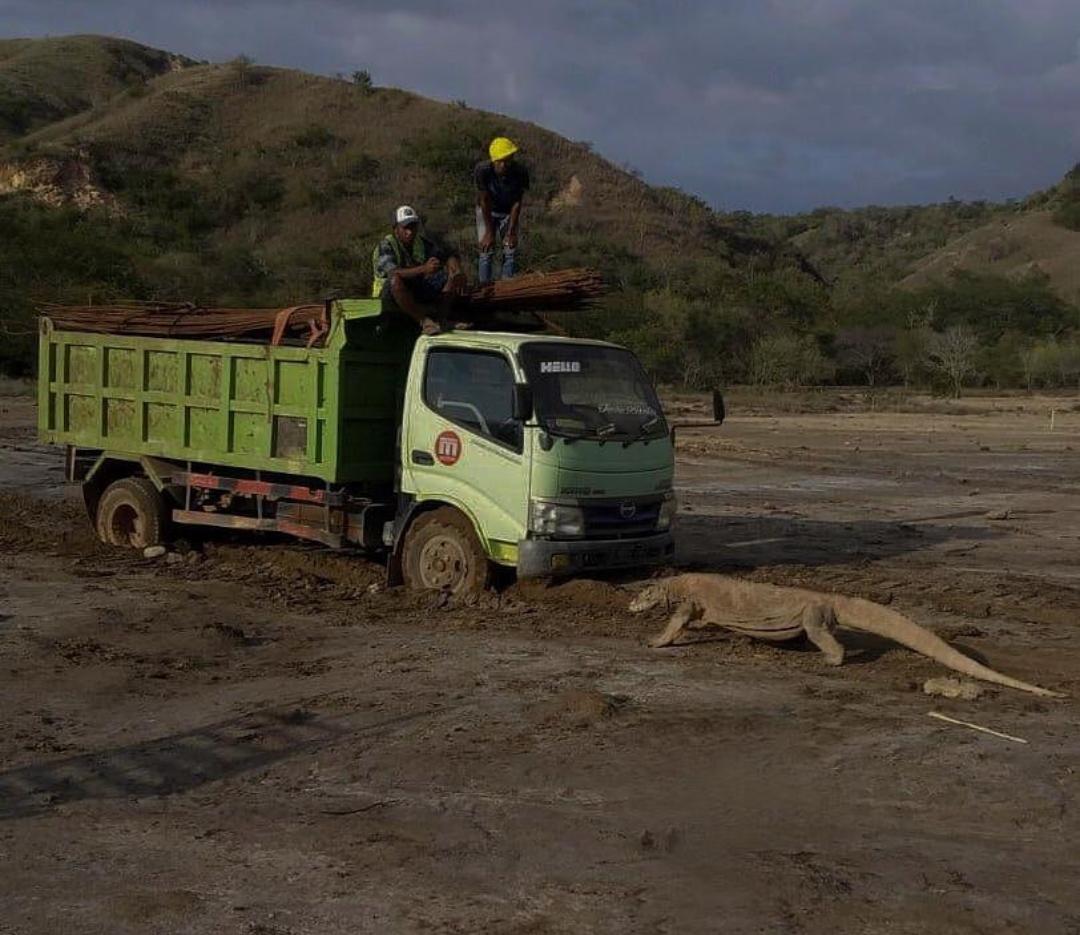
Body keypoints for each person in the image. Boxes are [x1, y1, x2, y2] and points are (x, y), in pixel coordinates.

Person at [372, 205, 466, 334]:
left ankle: (442, 320)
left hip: (415, 288)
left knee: (449, 276)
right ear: (396, 229)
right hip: (389, 295)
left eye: (413, 226)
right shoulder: (386, 245)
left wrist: (457, 271)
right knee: (395, 280)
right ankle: (424, 321)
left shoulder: (420, 243)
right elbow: (393, 272)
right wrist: (424, 269)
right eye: (405, 227)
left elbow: (446, 254)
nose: (410, 231)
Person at [475, 136, 529, 283]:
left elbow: (517, 202)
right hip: (487, 211)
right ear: (493, 160)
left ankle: (507, 286)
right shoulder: (482, 171)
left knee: (510, 249)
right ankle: (484, 289)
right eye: (499, 161)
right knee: (486, 250)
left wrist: (511, 232)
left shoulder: (520, 172)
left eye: (507, 160)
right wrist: (489, 232)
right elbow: (484, 200)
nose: (504, 165)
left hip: (508, 211)